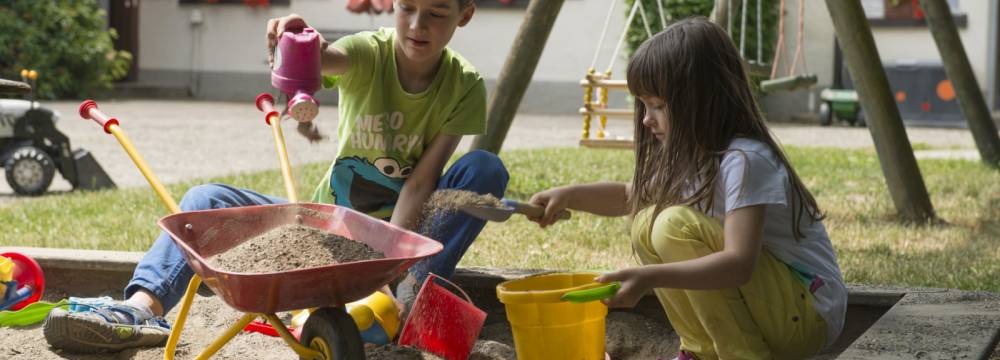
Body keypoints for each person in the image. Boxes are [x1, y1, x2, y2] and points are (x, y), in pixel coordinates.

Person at [44, 0, 507, 353]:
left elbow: (421, 183)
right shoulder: (370, 53)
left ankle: (408, 300)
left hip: (399, 231)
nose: (416, 25)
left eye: (437, 13)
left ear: (464, 15)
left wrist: (391, 260)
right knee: (205, 198)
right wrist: (295, 40)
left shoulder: (463, 84)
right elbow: (327, 58)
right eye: (407, 7)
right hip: (327, 223)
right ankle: (140, 310)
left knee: (484, 169)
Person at [528, 18, 846, 360]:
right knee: (646, 221)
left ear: (703, 100)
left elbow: (739, 264)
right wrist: (569, 195)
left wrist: (649, 277)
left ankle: (740, 354)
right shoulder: (693, 157)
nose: (648, 119)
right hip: (774, 309)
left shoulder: (745, 159)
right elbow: (627, 196)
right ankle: (702, 351)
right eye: (645, 105)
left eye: (659, 106)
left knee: (671, 225)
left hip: (805, 315)